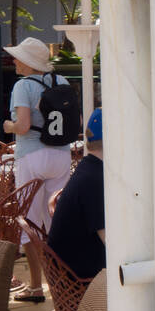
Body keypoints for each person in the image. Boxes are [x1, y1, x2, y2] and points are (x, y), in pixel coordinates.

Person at [3, 37, 74, 303]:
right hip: (60, 155)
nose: (14, 61)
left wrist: (7, 126)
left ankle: (35, 287)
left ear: (29, 63)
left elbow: (21, 126)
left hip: (31, 156)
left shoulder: (23, 86)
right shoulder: (63, 82)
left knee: (29, 222)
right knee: (56, 220)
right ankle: (63, 286)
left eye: (18, 57)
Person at [47, 107, 105, 280]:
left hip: (70, 273)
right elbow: (114, 244)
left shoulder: (89, 169)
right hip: (82, 282)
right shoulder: (95, 180)